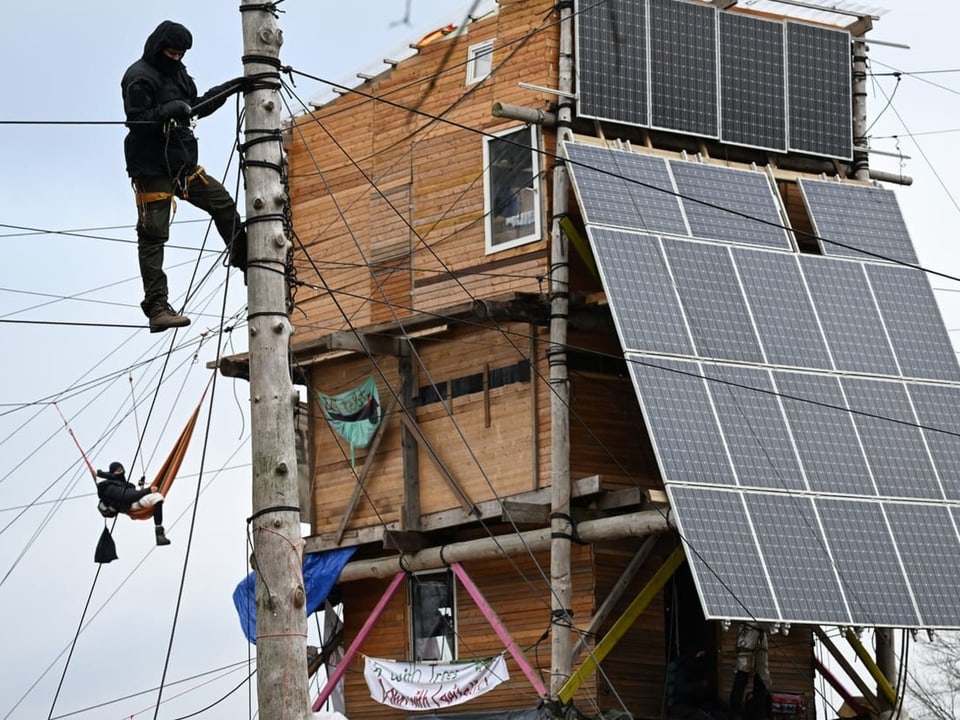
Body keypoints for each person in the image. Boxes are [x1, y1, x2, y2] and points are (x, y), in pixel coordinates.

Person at [121, 20, 248, 333]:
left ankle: (245, 259)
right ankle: (157, 308)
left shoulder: (177, 74)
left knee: (222, 204)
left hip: (182, 166)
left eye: (180, 54)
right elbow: (138, 122)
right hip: (152, 169)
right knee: (154, 235)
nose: (176, 58)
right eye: (172, 52)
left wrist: (230, 89)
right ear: (158, 47)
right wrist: (167, 110)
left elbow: (193, 108)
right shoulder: (139, 77)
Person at [95, 461, 171, 546]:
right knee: (156, 497)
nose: (119, 470)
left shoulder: (126, 484)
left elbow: (134, 493)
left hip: (134, 502)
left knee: (157, 497)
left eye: (120, 468)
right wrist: (148, 490)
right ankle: (159, 534)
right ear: (112, 473)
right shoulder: (109, 486)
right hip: (130, 505)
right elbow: (127, 496)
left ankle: (159, 533)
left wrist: (142, 487)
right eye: (116, 470)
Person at [728, 622, 771, 720]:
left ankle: (760, 714)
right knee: (743, 669)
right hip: (748, 630)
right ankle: (735, 713)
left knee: (762, 673)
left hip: (762, 631)